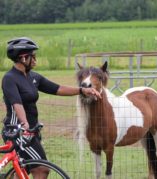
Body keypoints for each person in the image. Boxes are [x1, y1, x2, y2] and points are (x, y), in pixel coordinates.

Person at [2, 37, 101, 178]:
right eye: (33, 56)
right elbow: (16, 103)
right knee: (42, 169)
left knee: (24, 169)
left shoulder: (33, 77)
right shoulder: (9, 78)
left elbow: (57, 88)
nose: (35, 59)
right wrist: (24, 124)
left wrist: (82, 90)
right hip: (17, 131)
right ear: (23, 58)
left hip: (32, 131)